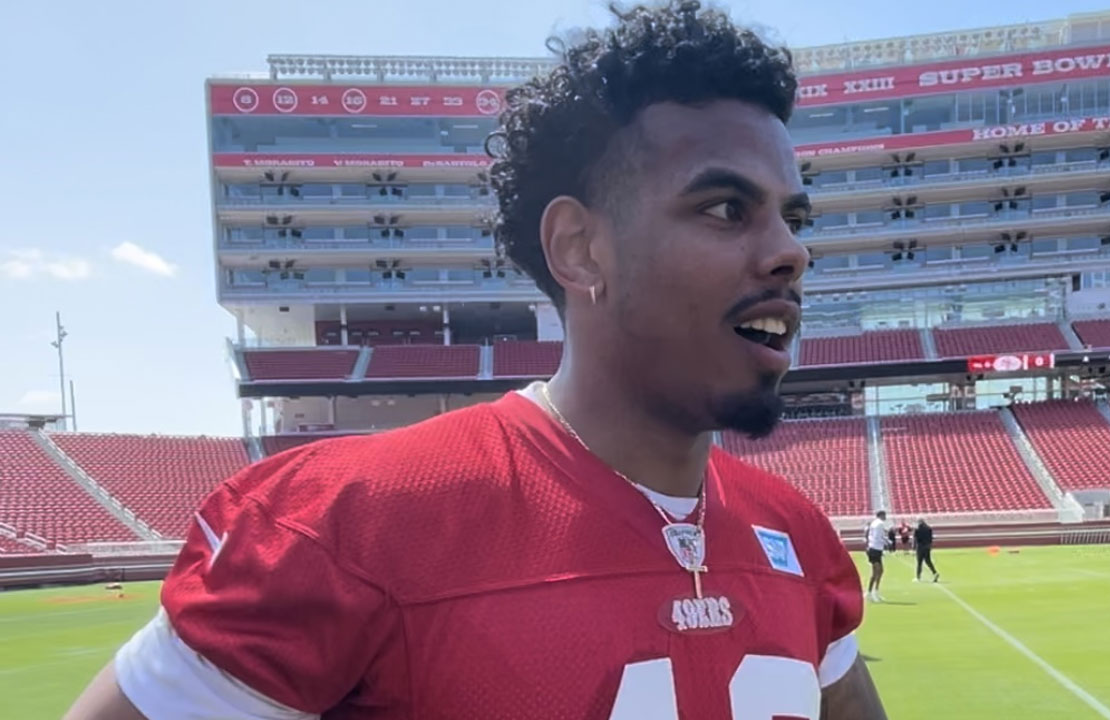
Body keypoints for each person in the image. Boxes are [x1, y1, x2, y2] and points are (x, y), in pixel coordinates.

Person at [63, 4, 889, 718]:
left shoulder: (796, 532)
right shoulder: (350, 526)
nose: (791, 252)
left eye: (793, 217)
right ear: (580, 248)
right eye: (727, 209)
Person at [865, 511, 889, 603]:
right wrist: (886, 543)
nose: (885, 517)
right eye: (884, 515)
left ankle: (874, 591)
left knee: (879, 571)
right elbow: (878, 537)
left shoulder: (874, 523)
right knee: (877, 571)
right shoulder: (879, 524)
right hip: (875, 549)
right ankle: (871, 592)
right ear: (881, 515)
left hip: (875, 548)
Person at [914, 518, 939, 583]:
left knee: (919, 562)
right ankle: (934, 572)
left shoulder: (917, 529)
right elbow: (931, 538)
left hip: (920, 547)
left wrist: (914, 547)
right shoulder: (929, 528)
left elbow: (916, 539)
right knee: (928, 561)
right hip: (927, 546)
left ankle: (918, 577)